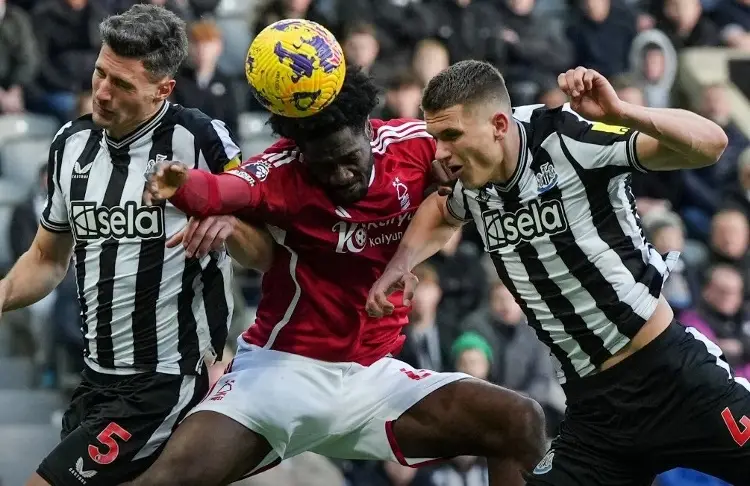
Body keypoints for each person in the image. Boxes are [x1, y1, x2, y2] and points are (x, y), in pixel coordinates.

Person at [132, 65, 546, 486]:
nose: (341, 175)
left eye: (350, 159)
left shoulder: (414, 147)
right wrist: (176, 184)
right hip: (282, 375)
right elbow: (221, 189)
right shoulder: (281, 170)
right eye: (324, 166)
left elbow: (500, 128)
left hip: (373, 380)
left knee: (519, 421)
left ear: (368, 128)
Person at [366, 60, 750, 485]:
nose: (440, 152)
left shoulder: (567, 137)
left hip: (672, 378)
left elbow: (710, 144)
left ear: (498, 124)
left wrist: (623, 114)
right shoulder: (473, 182)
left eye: (451, 135)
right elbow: (441, 209)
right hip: (594, 412)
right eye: (436, 137)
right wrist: (399, 264)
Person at [0, 5, 270, 486]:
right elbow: (46, 258)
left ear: (163, 89)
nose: (101, 92)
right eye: (100, 73)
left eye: (122, 85)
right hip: (95, 378)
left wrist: (229, 222)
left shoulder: (201, 139)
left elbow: (266, 254)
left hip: (168, 381)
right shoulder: (69, 142)